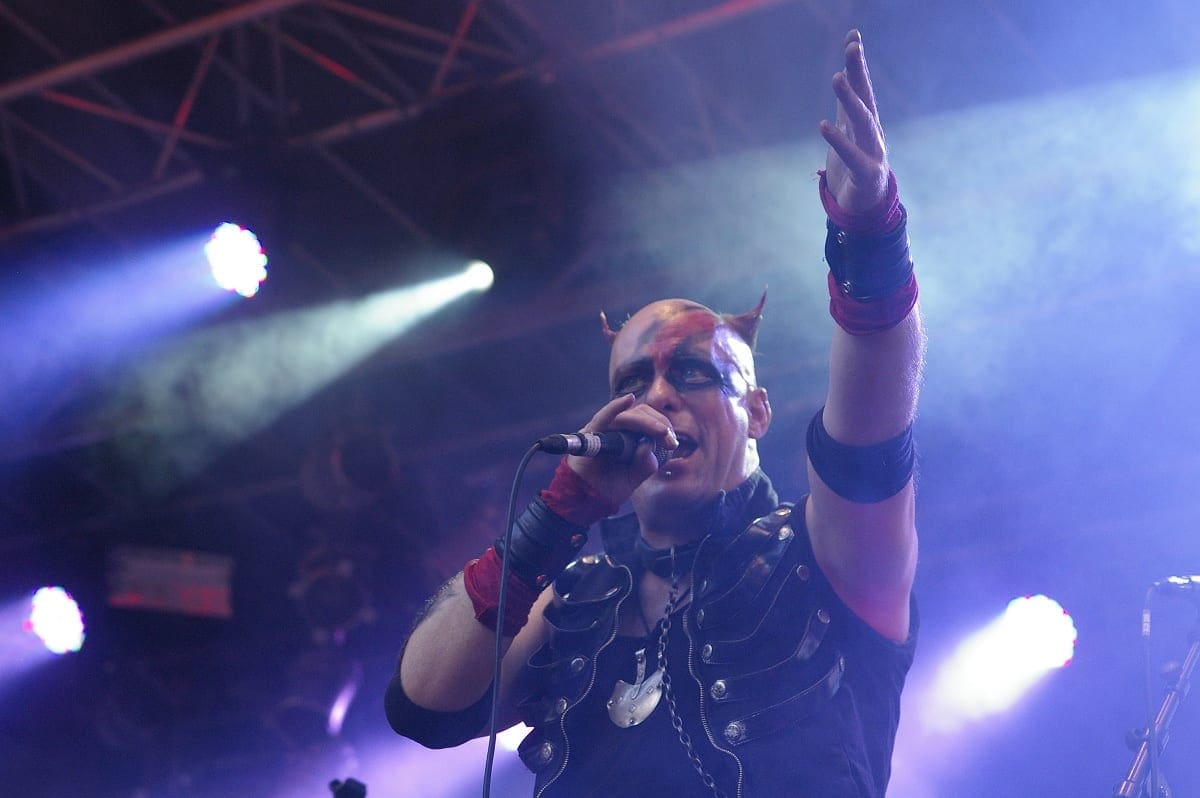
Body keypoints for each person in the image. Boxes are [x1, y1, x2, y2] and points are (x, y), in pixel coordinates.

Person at [386, 28, 925, 797]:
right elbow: (424, 706)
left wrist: (868, 236)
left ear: (758, 412)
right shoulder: (576, 598)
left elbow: (872, 437)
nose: (660, 396)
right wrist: (559, 511)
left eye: (695, 374)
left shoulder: (823, 556)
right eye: (635, 380)